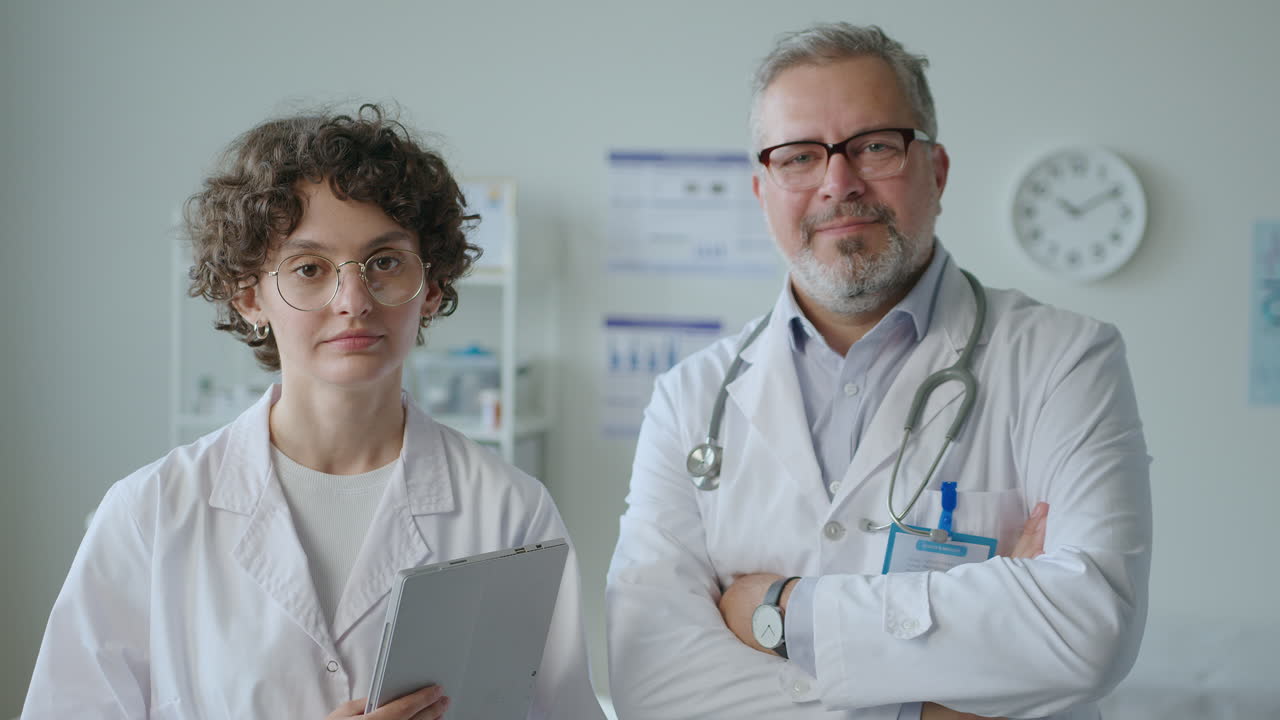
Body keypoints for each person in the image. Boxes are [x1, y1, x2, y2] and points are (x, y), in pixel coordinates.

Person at [606, 23, 1151, 720]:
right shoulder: (689, 398)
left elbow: (1089, 629)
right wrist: (932, 709)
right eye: (800, 157)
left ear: (938, 170)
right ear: (762, 190)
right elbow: (653, 682)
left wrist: (777, 609)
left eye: (873, 146)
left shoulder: (1065, 359)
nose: (839, 183)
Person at [22, 104, 604, 720]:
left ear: (430, 286)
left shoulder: (510, 512)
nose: (353, 300)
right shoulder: (152, 513)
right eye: (308, 268)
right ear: (249, 296)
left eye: (384, 262)